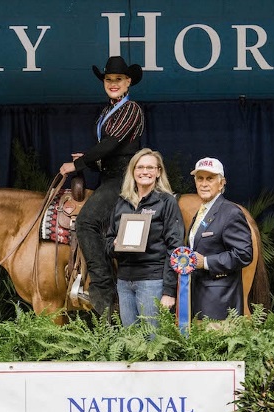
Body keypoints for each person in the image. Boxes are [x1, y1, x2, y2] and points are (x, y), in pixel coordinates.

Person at [59, 56, 145, 317]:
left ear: (128, 82)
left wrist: (79, 164)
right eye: (108, 80)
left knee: (86, 222)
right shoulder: (107, 111)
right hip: (110, 177)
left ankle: (102, 288)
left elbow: (111, 145)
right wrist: (89, 162)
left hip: (124, 179)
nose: (113, 84)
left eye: (118, 79)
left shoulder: (131, 110)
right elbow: (109, 154)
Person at [105, 149, 184, 328]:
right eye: (140, 167)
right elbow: (108, 242)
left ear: (158, 172)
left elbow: (175, 247)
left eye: (150, 167)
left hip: (152, 281)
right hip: (124, 282)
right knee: (131, 340)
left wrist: (169, 291)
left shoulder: (166, 202)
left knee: (152, 341)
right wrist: (115, 244)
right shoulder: (121, 203)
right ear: (133, 171)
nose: (145, 172)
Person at [187, 157, 253, 320]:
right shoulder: (202, 212)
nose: (204, 184)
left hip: (221, 304)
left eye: (210, 179)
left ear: (222, 183)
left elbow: (244, 254)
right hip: (199, 299)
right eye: (200, 178)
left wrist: (207, 262)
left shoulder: (230, 212)